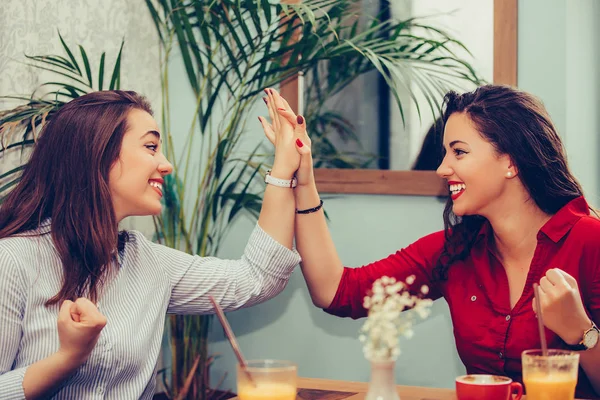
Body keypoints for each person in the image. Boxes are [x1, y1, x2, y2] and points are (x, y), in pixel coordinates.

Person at [260, 85, 600, 399]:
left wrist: (582, 333)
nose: (442, 168)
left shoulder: (590, 241)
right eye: (444, 153)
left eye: (459, 152)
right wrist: (303, 178)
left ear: (510, 161)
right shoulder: (454, 250)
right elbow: (336, 291)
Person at [0, 89, 301, 399]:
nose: (166, 164)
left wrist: (283, 169)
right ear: (97, 154)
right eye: (151, 147)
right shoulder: (11, 261)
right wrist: (67, 358)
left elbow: (257, 280)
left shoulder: (149, 262)